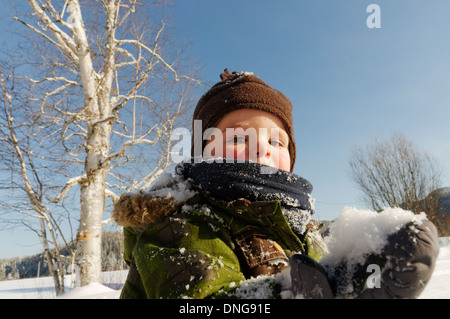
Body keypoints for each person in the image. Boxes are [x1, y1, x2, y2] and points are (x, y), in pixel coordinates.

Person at [112, 69, 439, 299]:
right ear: (201, 152)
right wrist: (335, 284)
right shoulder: (182, 224)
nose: (262, 147)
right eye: (239, 136)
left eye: (277, 141)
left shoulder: (304, 231)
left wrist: (367, 264)